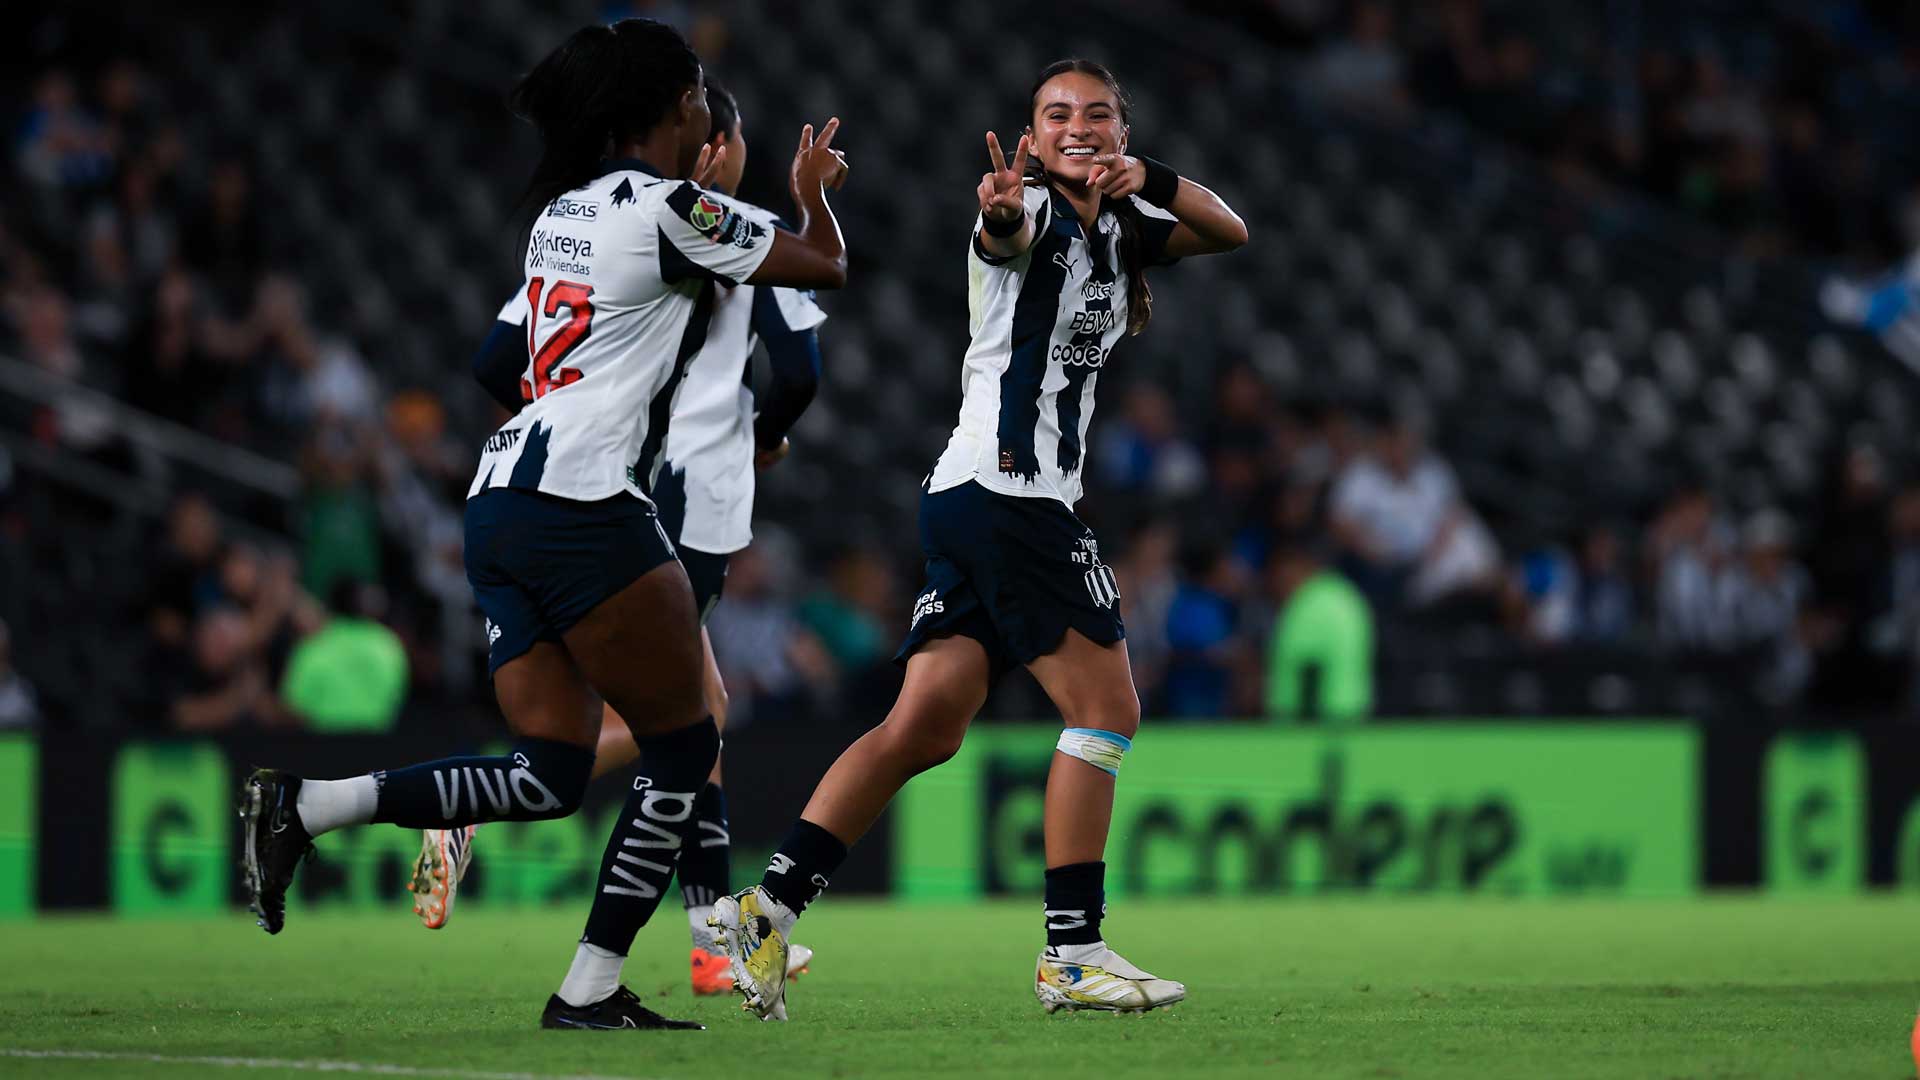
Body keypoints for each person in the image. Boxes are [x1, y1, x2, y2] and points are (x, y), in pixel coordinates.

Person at [235, 18, 850, 1032]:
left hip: (501, 496)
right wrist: (814, 194)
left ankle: (305, 807)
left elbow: (501, 364)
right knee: (687, 746)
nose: (705, 104)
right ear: (672, 111)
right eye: (695, 90)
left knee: (552, 769)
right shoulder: (677, 208)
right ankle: (606, 984)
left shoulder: (561, 213)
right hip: (589, 500)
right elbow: (821, 268)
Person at [709, 58, 1246, 1020]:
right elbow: (1003, 235)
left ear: (1122, 132)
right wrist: (1004, 207)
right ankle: (1072, 951)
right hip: (1013, 498)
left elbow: (1230, 229)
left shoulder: (1126, 226)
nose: (1077, 127)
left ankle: (766, 906)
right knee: (1107, 709)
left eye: (1098, 116)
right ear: (1030, 139)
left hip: (967, 496)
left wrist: (1150, 178)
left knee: (924, 726)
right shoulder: (1026, 212)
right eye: (1056, 116)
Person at [423, 82, 828, 999]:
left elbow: (497, 359)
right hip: (687, 497)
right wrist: (766, 433)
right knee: (687, 718)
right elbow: (798, 370)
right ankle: (473, 813)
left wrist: (569, 419)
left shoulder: (597, 232)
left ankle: (707, 937)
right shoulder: (731, 226)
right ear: (712, 144)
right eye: (731, 139)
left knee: (696, 712)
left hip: (596, 481)